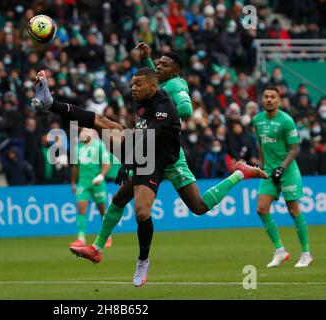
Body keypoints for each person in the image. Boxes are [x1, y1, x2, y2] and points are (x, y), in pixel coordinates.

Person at [78, 45, 268, 269]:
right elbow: (152, 84)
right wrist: (147, 61)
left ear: (176, 71)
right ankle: (97, 247)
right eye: (158, 63)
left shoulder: (176, 86)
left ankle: (239, 174)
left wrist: (163, 118)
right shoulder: (159, 85)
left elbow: (186, 109)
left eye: (164, 65)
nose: (158, 66)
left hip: (169, 158)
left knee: (198, 206)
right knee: (120, 199)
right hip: (148, 155)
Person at [34, 67, 181, 287]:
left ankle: (143, 261)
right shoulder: (140, 94)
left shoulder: (164, 108)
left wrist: (127, 163)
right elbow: (124, 91)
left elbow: (150, 142)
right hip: (140, 149)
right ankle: (50, 104)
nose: (133, 88)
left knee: (142, 213)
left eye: (138, 84)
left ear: (153, 86)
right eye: (133, 84)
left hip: (157, 158)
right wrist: (115, 78)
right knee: (102, 122)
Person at [253, 86, 312, 268]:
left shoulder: (286, 121)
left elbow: (295, 149)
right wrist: (262, 167)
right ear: (262, 100)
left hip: (287, 171)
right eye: (266, 97)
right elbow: (261, 145)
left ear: (278, 100)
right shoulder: (257, 120)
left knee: (293, 210)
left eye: (273, 97)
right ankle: (280, 251)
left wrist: (282, 167)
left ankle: (306, 253)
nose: (269, 99)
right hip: (270, 171)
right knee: (261, 209)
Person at [70, 128, 111, 248]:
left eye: (85, 131)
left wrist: (101, 176)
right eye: (81, 131)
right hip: (83, 183)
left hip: (97, 183)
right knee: (81, 209)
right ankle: (81, 238)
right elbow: (75, 167)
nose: (82, 133)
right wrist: (73, 182)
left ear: (91, 133)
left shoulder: (99, 146)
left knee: (102, 210)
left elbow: (106, 164)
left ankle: (107, 236)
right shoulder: (77, 148)